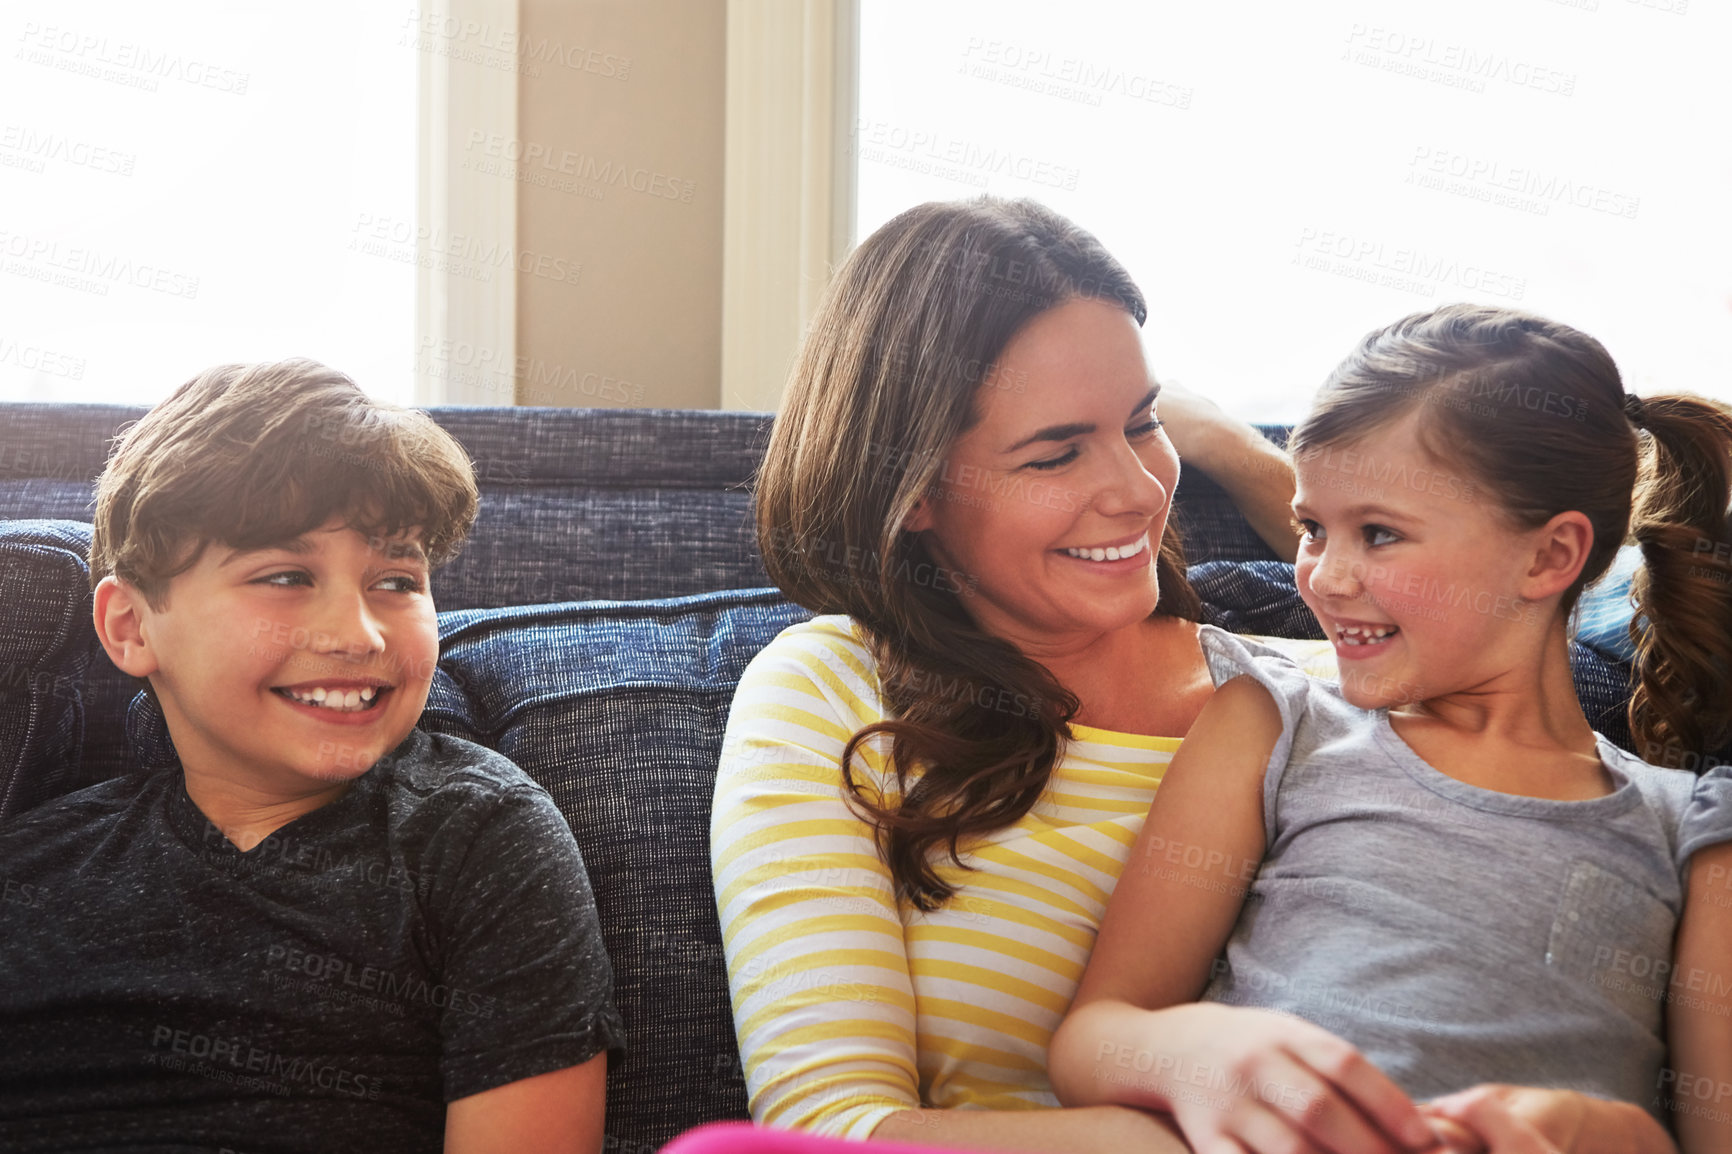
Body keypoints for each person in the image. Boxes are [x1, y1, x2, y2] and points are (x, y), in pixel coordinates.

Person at [711, 199, 1650, 1152]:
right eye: (1056, 452)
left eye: (1143, 422)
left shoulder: (1314, 700)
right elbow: (826, 1127)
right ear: (913, 490)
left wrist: (1243, 457)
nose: (1135, 489)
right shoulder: (831, 690)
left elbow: (1465, 592)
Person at [1049, 305, 1732, 1154]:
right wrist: (1191, 1050)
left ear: (1549, 558)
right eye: (1311, 529)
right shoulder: (1274, 722)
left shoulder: (1690, 829)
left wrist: (1618, 1134)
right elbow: (1092, 1039)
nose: (1324, 579)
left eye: (1379, 534)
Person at [0, 361, 625, 1151]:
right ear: (130, 627)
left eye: (397, 580)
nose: (358, 635)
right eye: (287, 576)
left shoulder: (476, 835)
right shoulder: (33, 865)